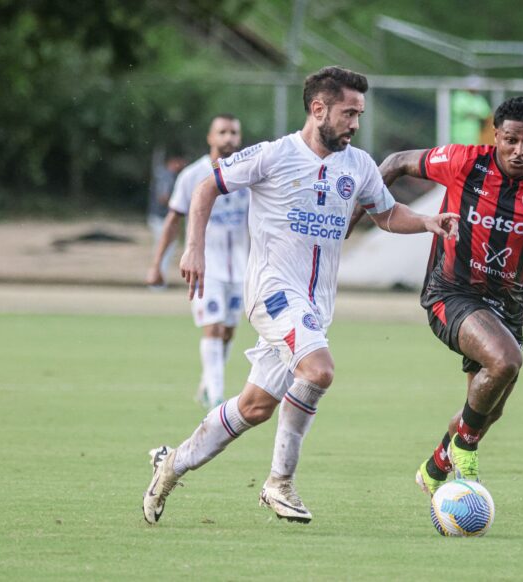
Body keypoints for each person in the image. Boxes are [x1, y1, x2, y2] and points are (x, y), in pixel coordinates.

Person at [142, 66, 459, 526]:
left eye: (360, 114)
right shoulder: (273, 155)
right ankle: (278, 483)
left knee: (254, 407)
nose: (355, 123)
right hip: (272, 292)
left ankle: (171, 465)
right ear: (318, 109)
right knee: (319, 369)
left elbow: (387, 214)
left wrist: (428, 222)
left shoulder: (359, 165)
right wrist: (193, 247)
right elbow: (208, 184)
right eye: (348, 113)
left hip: (315, 307)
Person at [376, 96, 523, 495]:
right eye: (510, 140)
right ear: (495, 135)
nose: (519, 151)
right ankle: (464, 450)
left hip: (507, 304)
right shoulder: (465, 161)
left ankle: (436, 465)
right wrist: (357, 212)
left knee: (488, 409)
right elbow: (395, 162)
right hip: (451, 292)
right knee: (506, 360)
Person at [145, 114, 250, 410]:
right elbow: (172, 220)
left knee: (228, 331)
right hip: (207, 266)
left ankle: (207, 384)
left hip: (240, 267)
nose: (229, 137)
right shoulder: (192, 175)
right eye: (223, 132)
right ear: (210, 137)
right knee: (213, 327)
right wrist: (157, 264)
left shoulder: (248, 175)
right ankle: (216, 396)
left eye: (233, 132)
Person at [147, 151, 186, 286]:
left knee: (164, 249)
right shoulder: (167, 175)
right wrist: (179, 204)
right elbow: (163, 197)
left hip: (158, 216)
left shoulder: (162, 174)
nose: (182, 165)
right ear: (174, 161)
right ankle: (156, 280)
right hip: (161, 218)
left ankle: (157, 278)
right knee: (164, 249)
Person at [450, 75, 492, 145]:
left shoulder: (479, 99)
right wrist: (476, 115)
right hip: (458, 135)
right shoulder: (459, 96)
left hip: (474, 136)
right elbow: (460, 111)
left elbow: (486, 115)